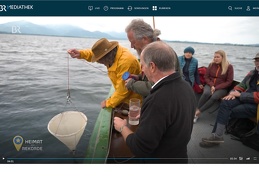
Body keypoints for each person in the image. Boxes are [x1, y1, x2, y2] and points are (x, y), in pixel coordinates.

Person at [113, 41, 196, 163]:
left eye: (142, 65)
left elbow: (140, 148)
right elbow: (172, 116)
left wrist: (122, 127)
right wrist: (148, 113)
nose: (141, 69)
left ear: (152, 66)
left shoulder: (157, 100)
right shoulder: (186, 87)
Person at [200, 52, 259, 148]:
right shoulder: (252, 73)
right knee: (226, 102)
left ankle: (217, 136)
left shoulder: (230, 67)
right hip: (244, 97)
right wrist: (233, 92)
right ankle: (217, 136)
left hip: (255, 105)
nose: (258, 62)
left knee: (230, 110)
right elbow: (241, 85)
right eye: (256, 60)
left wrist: (240, 95)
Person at [67, 38, 142, 108]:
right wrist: (80, 54)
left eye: (101, 61)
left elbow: (122, 90)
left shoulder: (125, 62)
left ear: (106, 56)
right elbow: (93, 54)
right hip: (124, 98)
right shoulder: (112, 53)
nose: (100, 62)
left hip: (134, 102)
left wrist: (108, 103)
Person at [124, 19, 161, 98]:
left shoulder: (159, 54)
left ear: (144, 39)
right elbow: (151, 76)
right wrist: (139, 77)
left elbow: (157, 86)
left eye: (133, 42)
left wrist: (132, 84)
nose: (131, 46)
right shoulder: (150, 52)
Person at [194, 50, 234, 123]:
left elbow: (229, 81)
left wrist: (216, 88)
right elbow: (206, 77)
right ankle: (196, 112)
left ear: (223, 57)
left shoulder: (229, 67)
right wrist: (212, 85)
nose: (215, 59)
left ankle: (197, 112)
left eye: (218, 57)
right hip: (210, 84)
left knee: (214, 97)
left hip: (222, 88)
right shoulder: (211, 65)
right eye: (215, 57)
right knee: (206, 93)